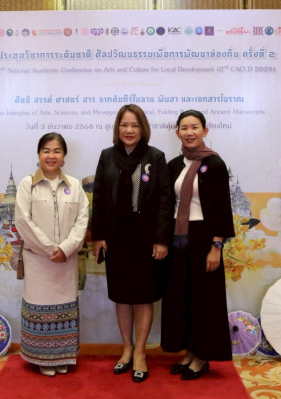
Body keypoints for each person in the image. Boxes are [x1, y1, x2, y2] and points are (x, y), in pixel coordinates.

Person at [91, 104, 172, 383]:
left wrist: (161, 239)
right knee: (122, 296)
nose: (129, 130)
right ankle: (126, 348)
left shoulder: (155, 157)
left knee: (144, 296)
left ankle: (140, 352)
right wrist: (98, 236)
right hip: (116, 237)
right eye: (124, 125)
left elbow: (164, 201)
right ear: (118, 128)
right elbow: (99, 197)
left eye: (134, 125)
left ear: (143, 128)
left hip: (146, 238)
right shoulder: (107, 156)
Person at [161, 109, 234, 380]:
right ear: (177, 132)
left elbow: (222, 207)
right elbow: (167, 204)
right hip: (178, 237)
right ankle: (190, 351)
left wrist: (217, 246)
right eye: (184, 128)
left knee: (205, 299)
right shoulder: (173, 165)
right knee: (182, 296)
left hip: (205, 237)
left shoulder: (214, 164)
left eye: (194, 127)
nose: (189, 132)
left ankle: (202, 357)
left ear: (205, 130)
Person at [14, 132, 89, 377]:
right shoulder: (27, 184)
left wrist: (65, 249)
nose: (51, 156)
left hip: (66, 260)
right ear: (38, 154)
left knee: (64, 307)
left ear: (64, 156)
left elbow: (82, 221)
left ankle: (62, 355)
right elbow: (23, 221)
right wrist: (49, 249)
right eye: (46, 150)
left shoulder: (75, 186)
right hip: (38, 261)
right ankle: (42, 358)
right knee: (40, 307)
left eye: (57, 151)